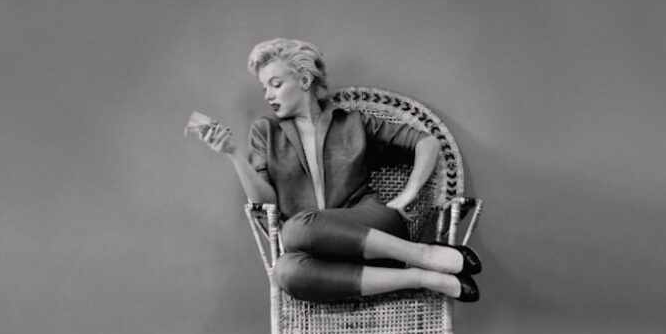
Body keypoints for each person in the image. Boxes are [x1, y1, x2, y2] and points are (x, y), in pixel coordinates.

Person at [191, 38, 480, 303]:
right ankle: (421, 276)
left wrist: (408, 195)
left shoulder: (352, 123)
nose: (268, 95)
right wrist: (233, 154)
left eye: (275, 84)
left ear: (304, 79)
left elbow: (427, 143)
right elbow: (266, 202)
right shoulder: (266, 132)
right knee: (286, 271)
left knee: (296, 229)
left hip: (374, 226)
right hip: (318, 250)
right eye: (264, 87)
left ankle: (422, 253)